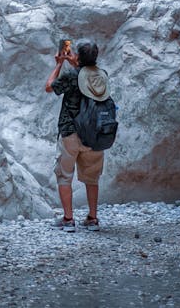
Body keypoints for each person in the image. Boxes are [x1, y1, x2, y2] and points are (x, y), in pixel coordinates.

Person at [45, 38, 109, 232]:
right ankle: (92, 218)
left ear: (78, 56)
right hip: (95, 135)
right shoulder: (102, 75)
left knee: (65, 176)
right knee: (92, 178)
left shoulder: (71, 75)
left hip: (70, 132)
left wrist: (59, 64)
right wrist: (77, 63)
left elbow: (49, 87)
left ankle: (68, 219)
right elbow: (86, 74)